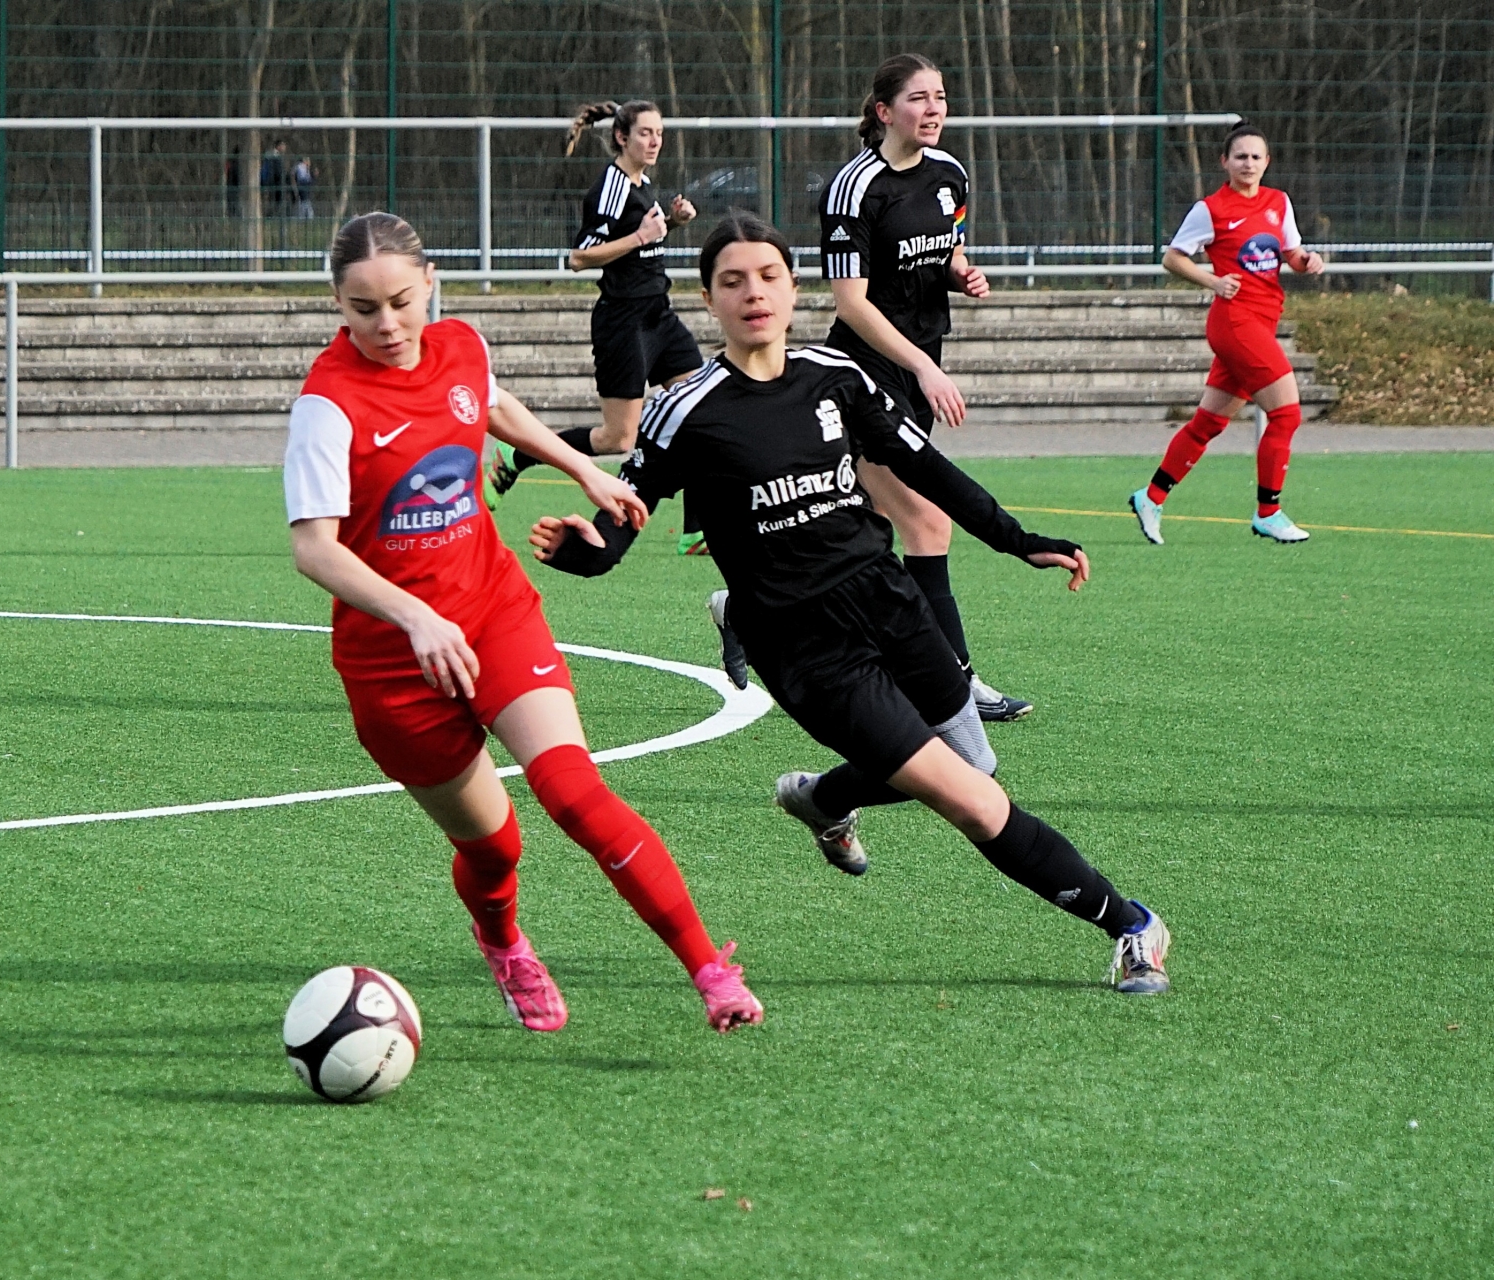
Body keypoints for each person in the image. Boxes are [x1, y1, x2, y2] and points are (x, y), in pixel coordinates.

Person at [529, 214, 1171, 995]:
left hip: (888, 601)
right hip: (808, 648)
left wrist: (1017, 539)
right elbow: (618, 524)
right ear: (708, 299)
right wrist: (583, 551)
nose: (754, 293)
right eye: (733, 281)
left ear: (793, 288)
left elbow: (925, 468)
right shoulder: (685, 410)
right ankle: (1132, 925)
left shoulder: (836, 375)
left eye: (768, 276)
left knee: (976, 762)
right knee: (974, 801)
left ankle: (824, 797)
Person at [283, 212, 764, 1035]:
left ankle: (711, 972)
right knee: (494, 848)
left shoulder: (461, 346)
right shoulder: (328, 406)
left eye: (401, 302)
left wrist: (582, 468)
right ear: (338, 304)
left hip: (492, 612)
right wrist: (415, 617)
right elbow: (314, 550)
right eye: (364, 309)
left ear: (429, 283)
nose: (388, 324)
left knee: (574, 791)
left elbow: (491, 405)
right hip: (394, 665)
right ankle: (504, 942)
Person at [806, 53, 1029, 721]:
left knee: (869, 532)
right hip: (863, 372)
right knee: (928, 521)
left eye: (941, 97)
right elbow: (851, 304)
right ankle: (956, 684)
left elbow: (948, 249)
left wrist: (962, 273)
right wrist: (925, 369)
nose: (934, 109)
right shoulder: (854, 189)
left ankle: (750, 611)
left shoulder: (950, 174)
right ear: (884, 111)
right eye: (919, 98)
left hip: (917, 363)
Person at [485, 100, 710, 556]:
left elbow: (640, 242)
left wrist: (672, 222)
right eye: (645, 133)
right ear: (622, 138)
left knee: (699, 408)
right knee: (617, 439)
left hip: (659, 316)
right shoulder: (609, 187)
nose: (655, 141)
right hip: (623, 322)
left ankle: (695, 531)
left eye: (659, 133)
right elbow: (579, 257)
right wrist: (642, 236)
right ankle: (519, 454)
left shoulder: (643, 184)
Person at [1130, 125, 1328, 544]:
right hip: (1235, 322)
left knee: (1209, 423)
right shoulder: (1211, 209)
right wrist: (1213, 281)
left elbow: (1290, 253)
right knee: (1287, 414)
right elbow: (1172, 258)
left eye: (1256, 157)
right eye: (1240, 157)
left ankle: (1151, 497)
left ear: (1267, 162)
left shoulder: (1278, 202)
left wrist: (1307, 261)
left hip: (1264, 318)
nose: (1248, 164)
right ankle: (1268, 512)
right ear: (1225, 162)